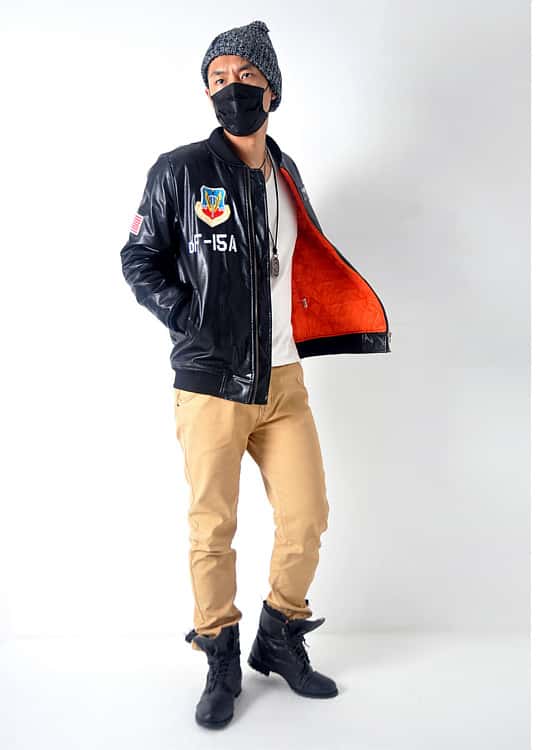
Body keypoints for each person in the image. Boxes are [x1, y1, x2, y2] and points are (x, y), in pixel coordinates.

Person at [119, 20, 391, 729]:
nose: (230, 89)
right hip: (210, 382)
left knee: (307, 516)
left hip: (284, 381)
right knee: (213, 528)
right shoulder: (180, 170)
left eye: (244, 76)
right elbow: (138, 258)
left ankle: (278, 635)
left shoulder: (286, 173)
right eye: (217, 79)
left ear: (272, 90)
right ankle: (219, 655)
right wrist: (189, 318)